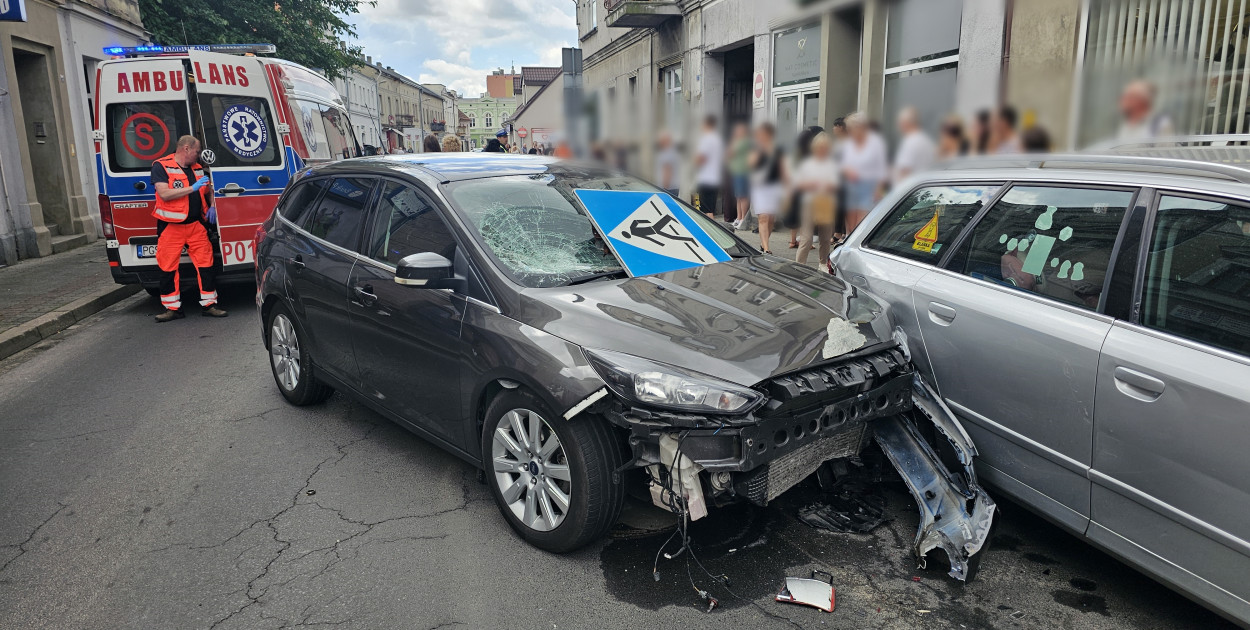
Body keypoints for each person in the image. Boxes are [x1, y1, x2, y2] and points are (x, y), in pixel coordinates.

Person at [150, 135, 227, 322]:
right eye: (197, 151)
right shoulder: (161, 166)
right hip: (171, 226)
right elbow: (165, 194)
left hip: (195, 225)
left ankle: (209, 305)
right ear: (186, 149)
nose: (198, 155)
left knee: (206, 265)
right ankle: (172, 308)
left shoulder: (199, 169)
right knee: (167, 268)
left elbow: (210, 190)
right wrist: (192, 188)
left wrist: (213, 205)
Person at [794, 132, 840, 266]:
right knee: (806, 239)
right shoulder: (808, 164)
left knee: (825, 239)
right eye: (820, 147)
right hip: (809, 204)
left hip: (826, 203)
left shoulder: (832, 164)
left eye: (825, 147)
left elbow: (836, 186)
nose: (822, 150)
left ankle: (823, 264)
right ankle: (799, 265)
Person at [840, 112, 888, 235]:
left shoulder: (876, 142)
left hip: (869, 187)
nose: (849, 131)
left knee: (861, 227)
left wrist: (878, 190)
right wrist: (848, 171)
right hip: (851, 187)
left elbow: (881, 168)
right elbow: (844, 165)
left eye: (851, 128)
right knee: (850, 228)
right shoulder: (849, 144)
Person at [748, 122, 787, 254]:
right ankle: (766, 248)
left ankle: (763, 242)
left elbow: (782, 169)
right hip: (759, 187)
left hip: (774, 187)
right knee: (763, 217)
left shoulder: (778, 149)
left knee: (771, 218)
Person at [692, 114, 724, 219]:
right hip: (715, 177)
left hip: (705, 177)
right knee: (710, 208)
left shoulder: (706, 139)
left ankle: (710, 232)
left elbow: (701, 158)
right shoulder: (718, 139)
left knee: (705, 211)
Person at [893, 106, 937, 182]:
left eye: (900, 123)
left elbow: (904, 171)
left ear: (906, 123)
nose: (899, 127)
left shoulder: (910, 142)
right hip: (924, 186)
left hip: (910, 189)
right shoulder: (927, 140)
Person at [727, 122, 753, 229]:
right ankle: (738, 217)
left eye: (738, 131)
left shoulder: (744, 142)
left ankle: (743, 219)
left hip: (743, 171)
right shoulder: (739, 142)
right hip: (737, 171)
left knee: (743, 196)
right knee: (738, 196)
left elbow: (730, 152)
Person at [655, 130, 681, 197]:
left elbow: (667, 171)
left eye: (661, 139)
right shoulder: (672, 151)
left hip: (668, 189)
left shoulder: (667, 153)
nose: (660, 141)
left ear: (666, 140)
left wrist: (664, 189)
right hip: (673, 188)